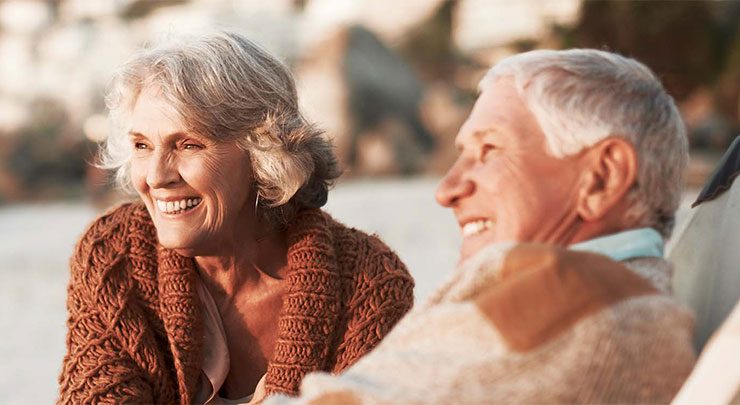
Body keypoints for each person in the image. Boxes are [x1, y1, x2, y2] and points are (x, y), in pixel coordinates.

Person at [264, 49, 696, 404]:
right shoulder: (622, 302)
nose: (447, 189)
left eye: (488, 150)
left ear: (603, 177)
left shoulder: (575, 297)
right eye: (461, 154)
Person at [57, 31, 414, 405]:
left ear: (264, 152)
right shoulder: (116, 255)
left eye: (189, 145)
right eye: (142, 146)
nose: (156, 176)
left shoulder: (367, 281)